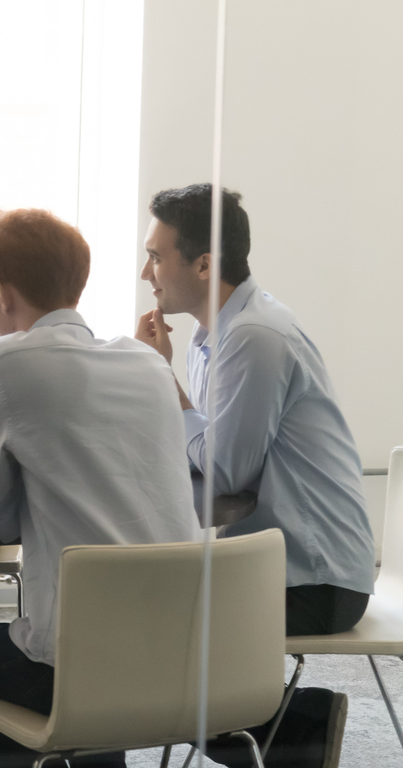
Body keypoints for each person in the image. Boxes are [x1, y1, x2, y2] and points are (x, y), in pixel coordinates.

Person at [0, 208, 199, 768]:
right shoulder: (146, 361)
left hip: (77, 657)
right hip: (178, 648)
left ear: (4, 294)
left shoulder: (5, 359)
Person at [136, 184, 373, 767]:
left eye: (157, 256)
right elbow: (211, 444)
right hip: (272, 563)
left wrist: (170, 394)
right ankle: (291, 732)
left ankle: (295, 733)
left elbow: (221, 469)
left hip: (317, 581)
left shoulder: (254, 338)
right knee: (135, 614)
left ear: (204, 263)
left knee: (140, 622)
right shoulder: (213, 333)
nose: (147, 271)